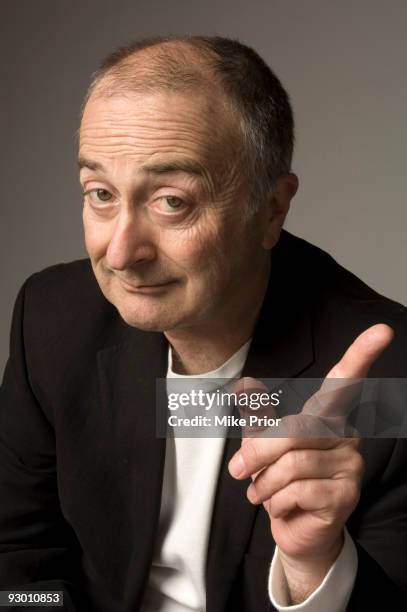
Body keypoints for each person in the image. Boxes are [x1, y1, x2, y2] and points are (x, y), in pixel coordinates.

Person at [0, 36, 406, 612]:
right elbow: (17, 563)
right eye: (101, 194)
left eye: (172, 201)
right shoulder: (51, 318)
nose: (120, 254)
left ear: (271, 210)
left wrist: (315, 566)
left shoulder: (388, 379)